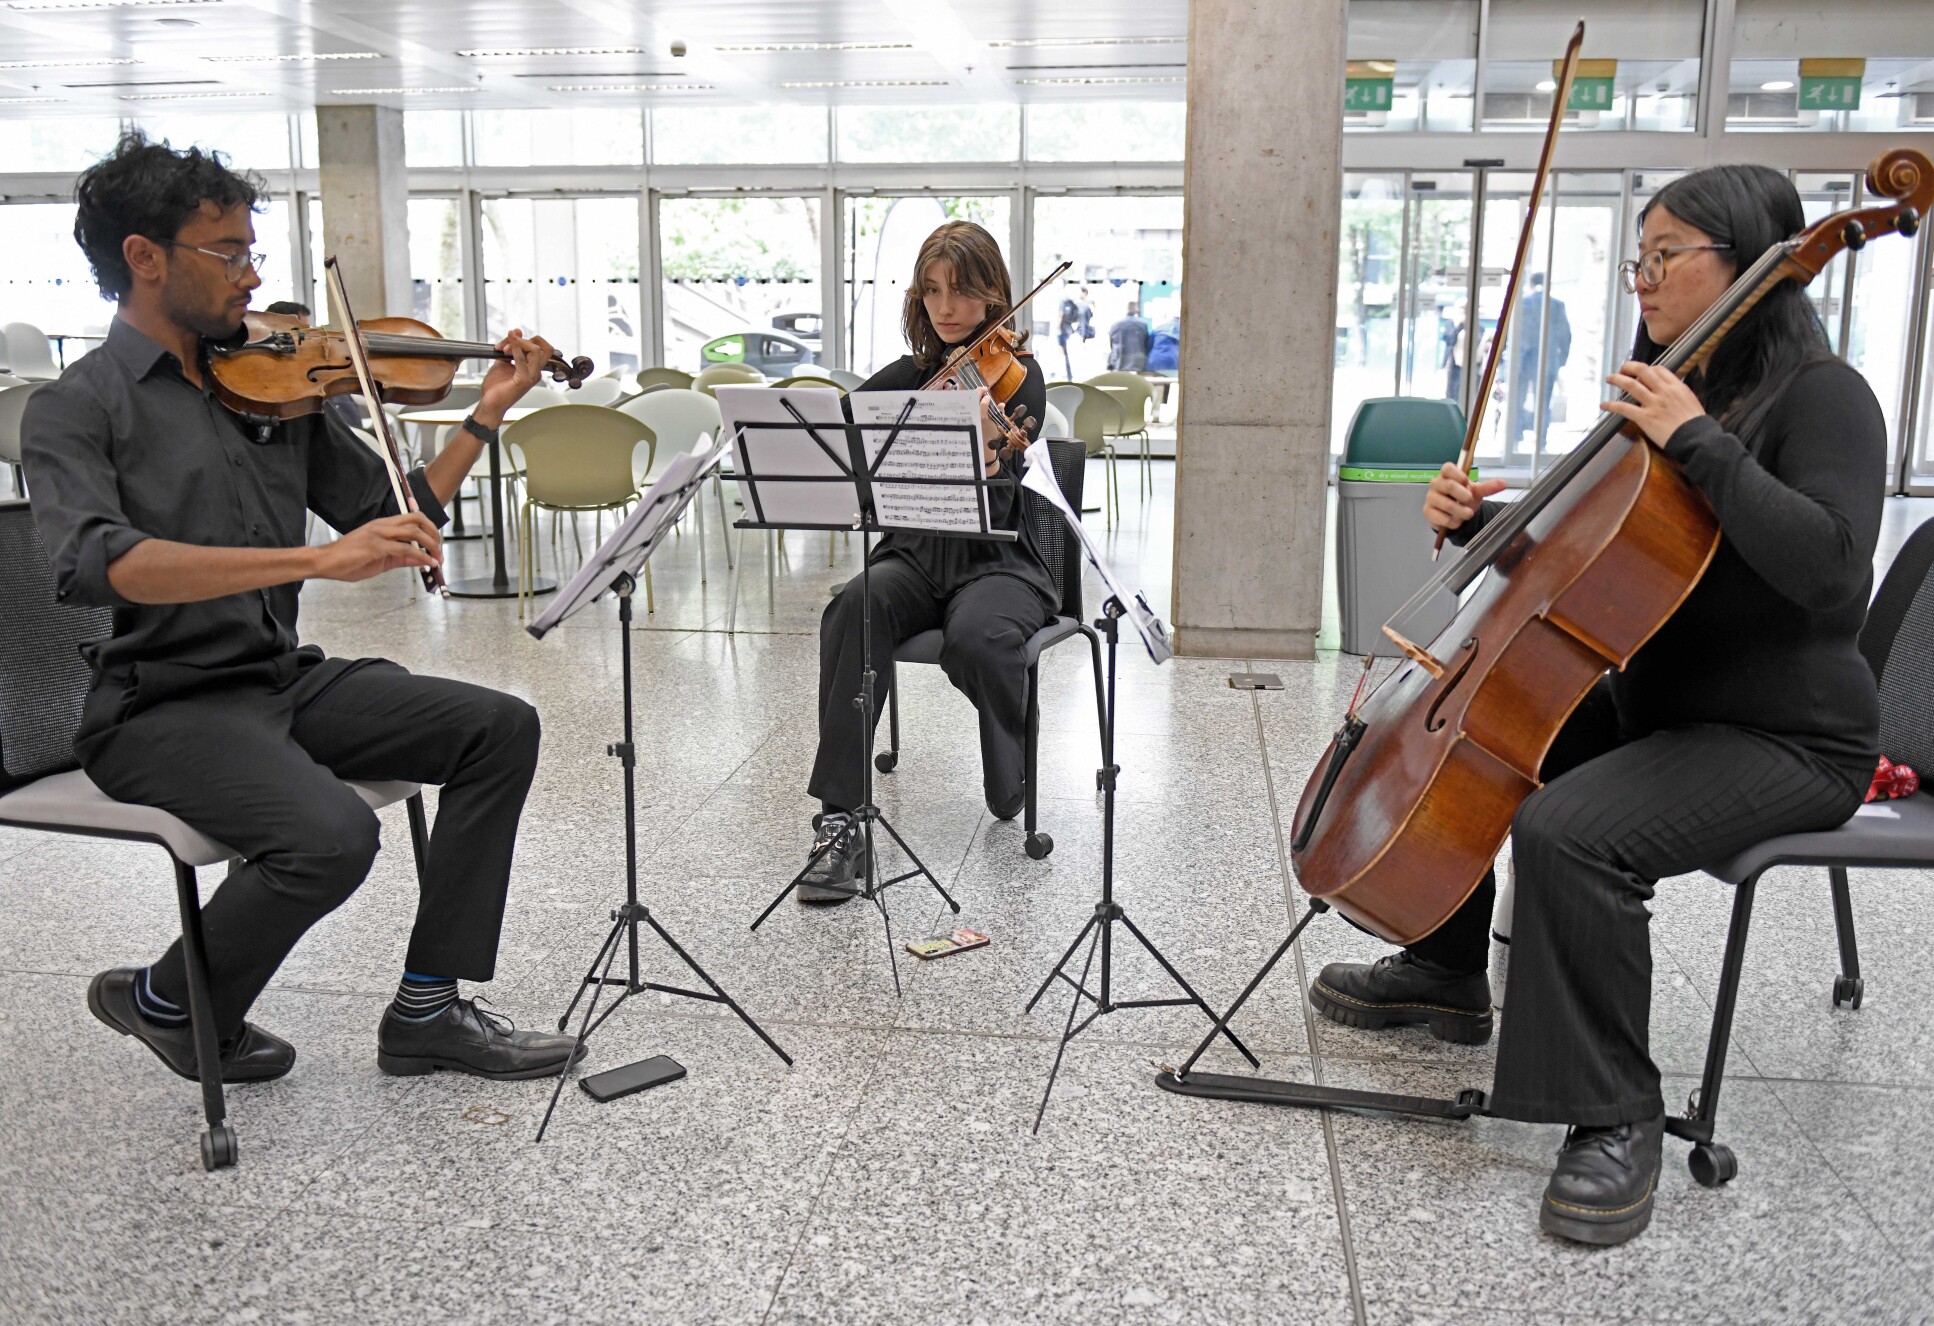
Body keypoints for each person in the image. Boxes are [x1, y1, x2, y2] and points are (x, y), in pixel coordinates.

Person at [1307, 164, 1883, 1246]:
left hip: (1784, 736)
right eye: (1639, 257)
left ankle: (1612, 1113)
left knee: (1567, 832)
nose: (1644, 277)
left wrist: (1697, 441)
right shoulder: (1673, 389)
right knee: (1488, 725)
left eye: (1666, 256)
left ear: (1753, 267)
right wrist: (1483, 525)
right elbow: (1604, 556)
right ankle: (1442, 972)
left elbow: (1832, 571)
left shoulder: (1819, 397)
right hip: (1667, 700)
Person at [22, 132, 582, 1085]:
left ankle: (427, 1011)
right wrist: (316, 558)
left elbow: (394, 515)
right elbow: (95, 564)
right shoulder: (75, 408)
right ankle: (167, 999)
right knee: (332, 835)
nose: (251, 276)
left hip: (280, 681)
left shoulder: (269, 385)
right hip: (159, 707)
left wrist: (487, 413)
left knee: (497, 727)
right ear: (143, 257)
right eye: (227, 252)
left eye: (253, 251)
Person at [798, 221, 1053, 902]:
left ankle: (1010, 754)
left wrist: (994, 443)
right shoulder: (911, 378)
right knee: (854, 605)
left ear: (994, 296)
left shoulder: (1017, 379)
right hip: (915, 552)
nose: (947, 308)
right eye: (934, 291)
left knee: (979, 639)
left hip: (997, 557)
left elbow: (1014, 465)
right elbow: (843, 427)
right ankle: (840, 820)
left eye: (964, 292)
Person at [1510, 273, 1572, 447]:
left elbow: (1515, 334)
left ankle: (1515, 439)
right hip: (1547, 362)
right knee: (1543, 403)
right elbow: (1566, 336)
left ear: (1531, 284)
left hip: (1523, 360)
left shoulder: (1523, 303)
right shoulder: (1557, 305)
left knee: (1518, 400)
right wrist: (1561, 360)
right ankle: (1541, 442)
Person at [1107, 302, 1151, 372]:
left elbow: (1111, 344)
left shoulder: (1115, 324)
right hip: (1139, 364)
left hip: (1119, 363)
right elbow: (1146, 344)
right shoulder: (1143, 324)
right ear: (1137, 310)